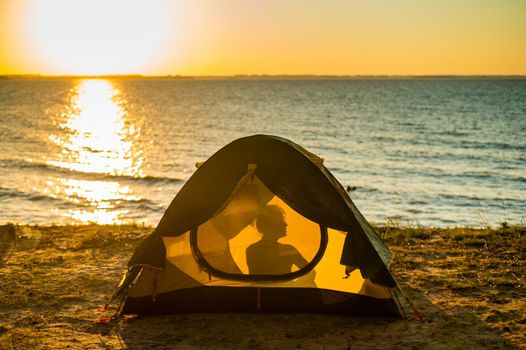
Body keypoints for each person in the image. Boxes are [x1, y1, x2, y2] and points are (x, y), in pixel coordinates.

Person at [246, 205, 308, 275]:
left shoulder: (252, 250)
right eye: (280, 221)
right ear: (266, 226)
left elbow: (310, 272)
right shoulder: (288, 250)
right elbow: (310, 272)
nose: (285, 224)